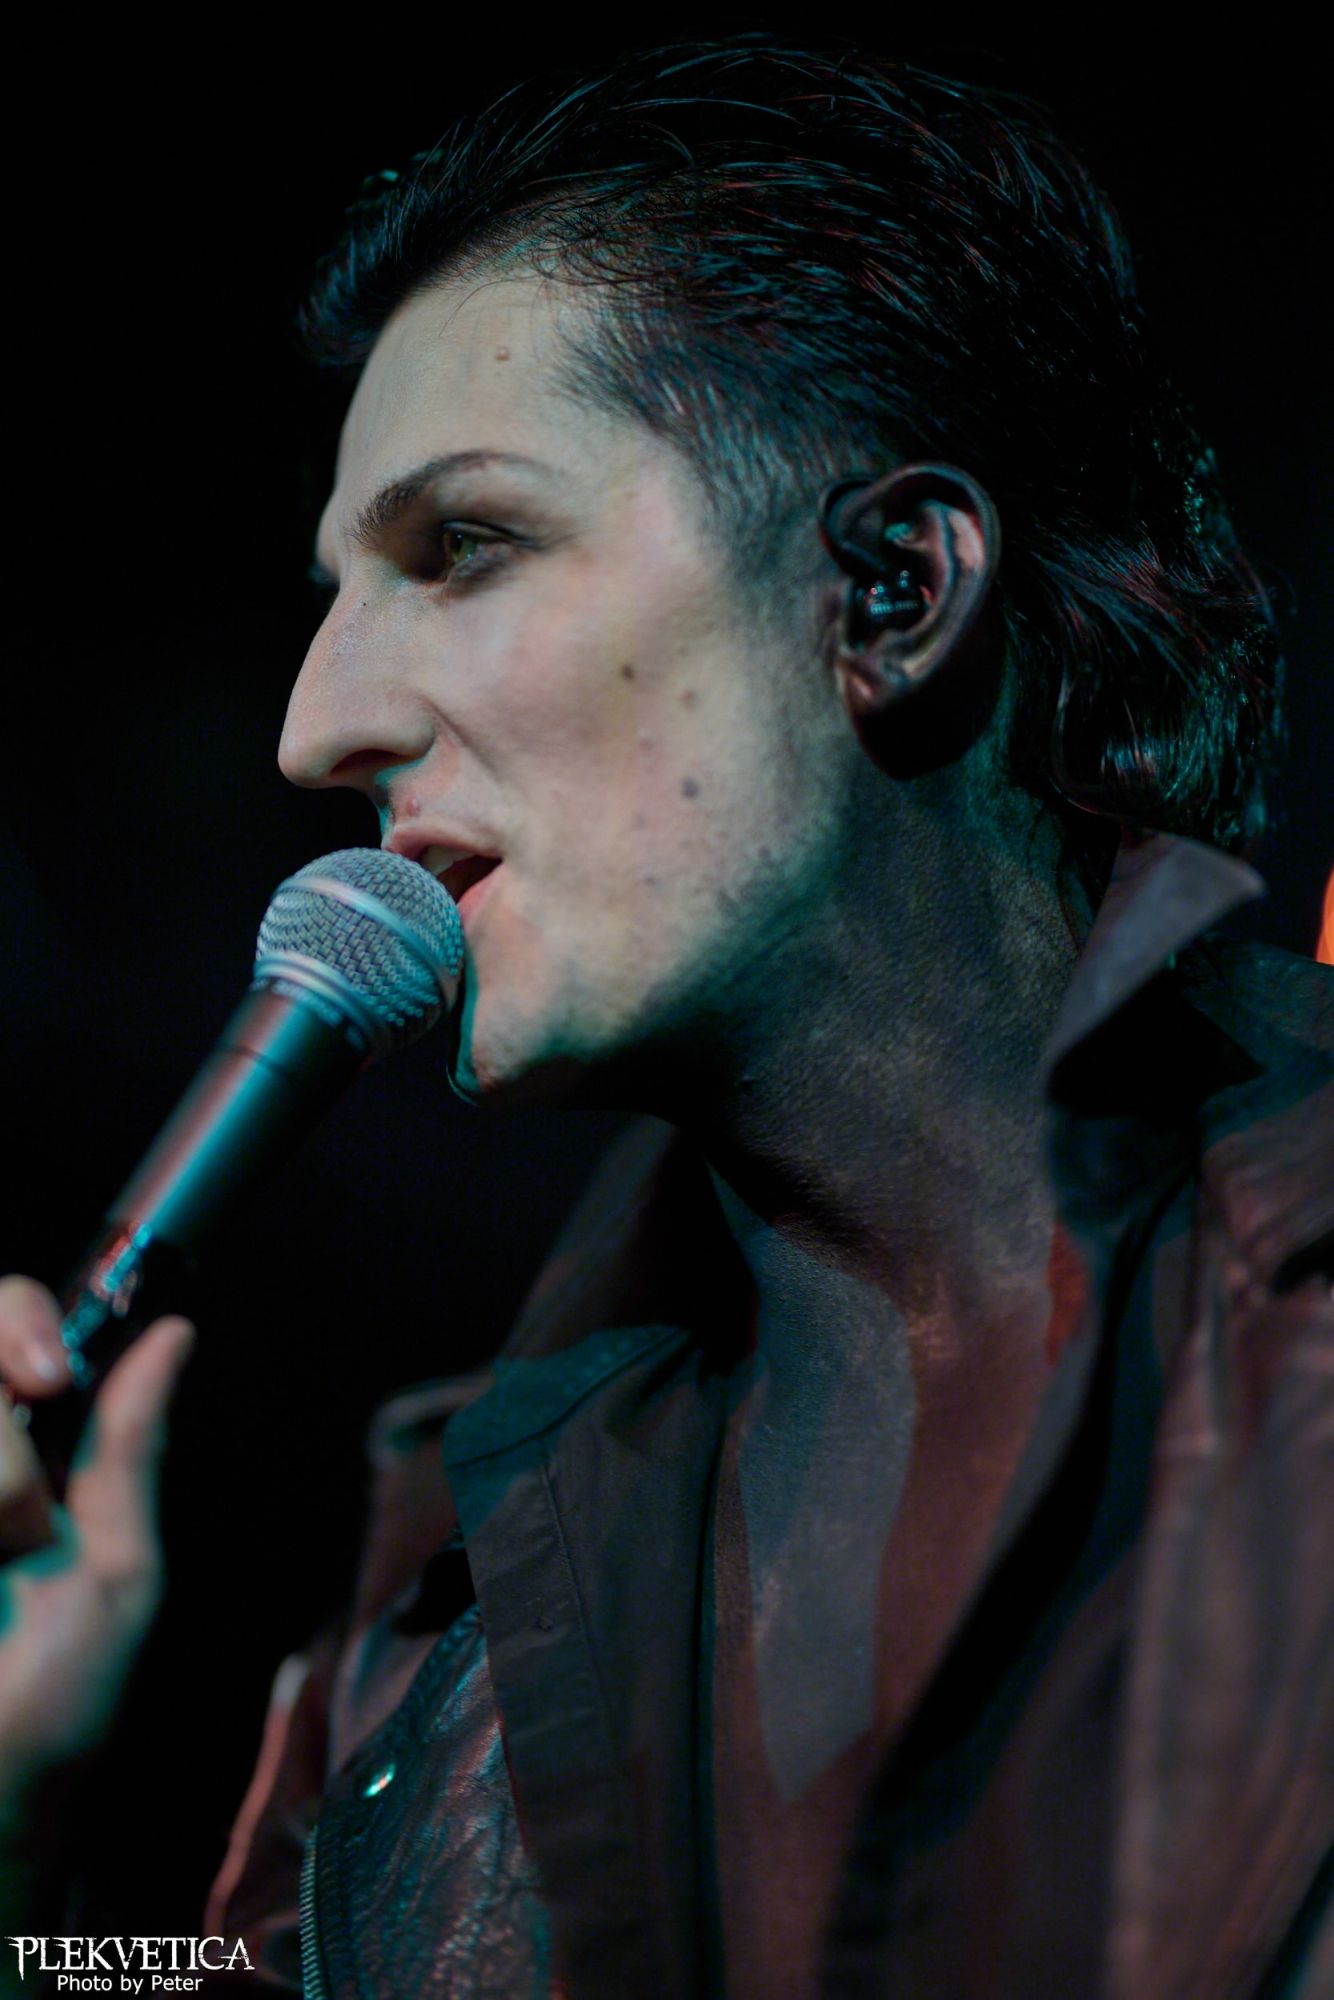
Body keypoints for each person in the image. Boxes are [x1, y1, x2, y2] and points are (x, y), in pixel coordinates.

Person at [2, 38, 1331, 1999]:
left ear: (892, 590)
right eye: (334, 592)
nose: (316, 724)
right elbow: (175, 1979)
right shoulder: (445, 1575)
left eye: (464, 545)